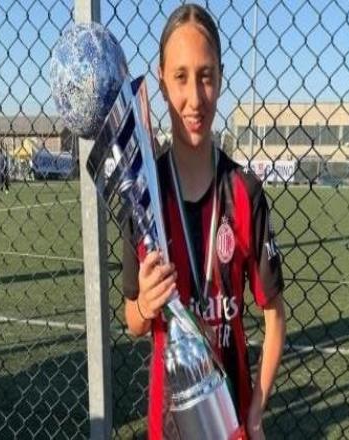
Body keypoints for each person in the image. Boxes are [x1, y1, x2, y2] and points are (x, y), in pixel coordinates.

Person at [122, 4, 286, 439]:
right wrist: (146, 304)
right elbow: (133, 321)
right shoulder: (142, 194)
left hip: (232, 420)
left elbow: (275, 317)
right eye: (181, 77)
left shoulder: (245, 193)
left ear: (221, 77)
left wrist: (256, 411)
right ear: (161, 81)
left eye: (206, 76)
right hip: (169, 422)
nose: (195, 98)